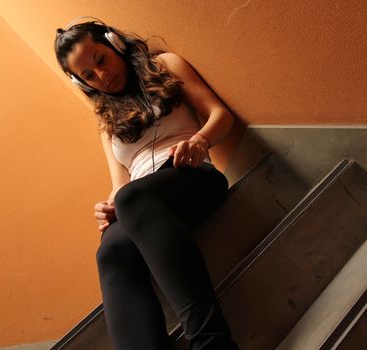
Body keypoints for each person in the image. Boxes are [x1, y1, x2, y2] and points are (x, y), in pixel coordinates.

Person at [54, 16, 238, 350]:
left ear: (115, 43)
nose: (102, 75)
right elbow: (120, 184)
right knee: (110, 248)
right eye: (88, 76)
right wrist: (106, 207)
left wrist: (200, 140)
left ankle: (212, 342)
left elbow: (220, 115)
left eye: (100, 60)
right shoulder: (107, 121)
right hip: (141, 201)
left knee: (133, 199)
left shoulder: (165, 65)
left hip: (192, 177)